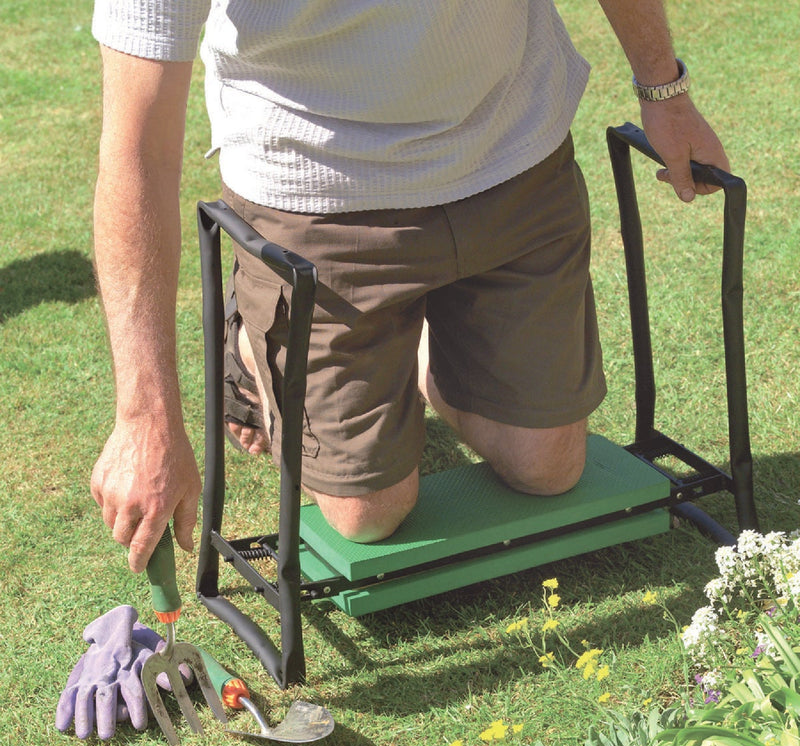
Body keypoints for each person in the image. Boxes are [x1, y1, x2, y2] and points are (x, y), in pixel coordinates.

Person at [89, 0, 730, 574]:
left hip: (511, 153)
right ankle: (252, 335)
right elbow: (136, 153)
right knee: (367, 512)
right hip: (316, 199)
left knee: (549, 468)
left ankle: (408, 330)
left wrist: (665, 91)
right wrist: (145, 417)